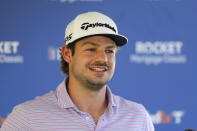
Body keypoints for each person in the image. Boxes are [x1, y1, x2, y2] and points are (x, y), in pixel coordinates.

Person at [1, 12, 154, 131]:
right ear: (67, 54)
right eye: (91, 49)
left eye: (109, 50)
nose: (103, 59)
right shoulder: (27, 117)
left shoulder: (137, 116)